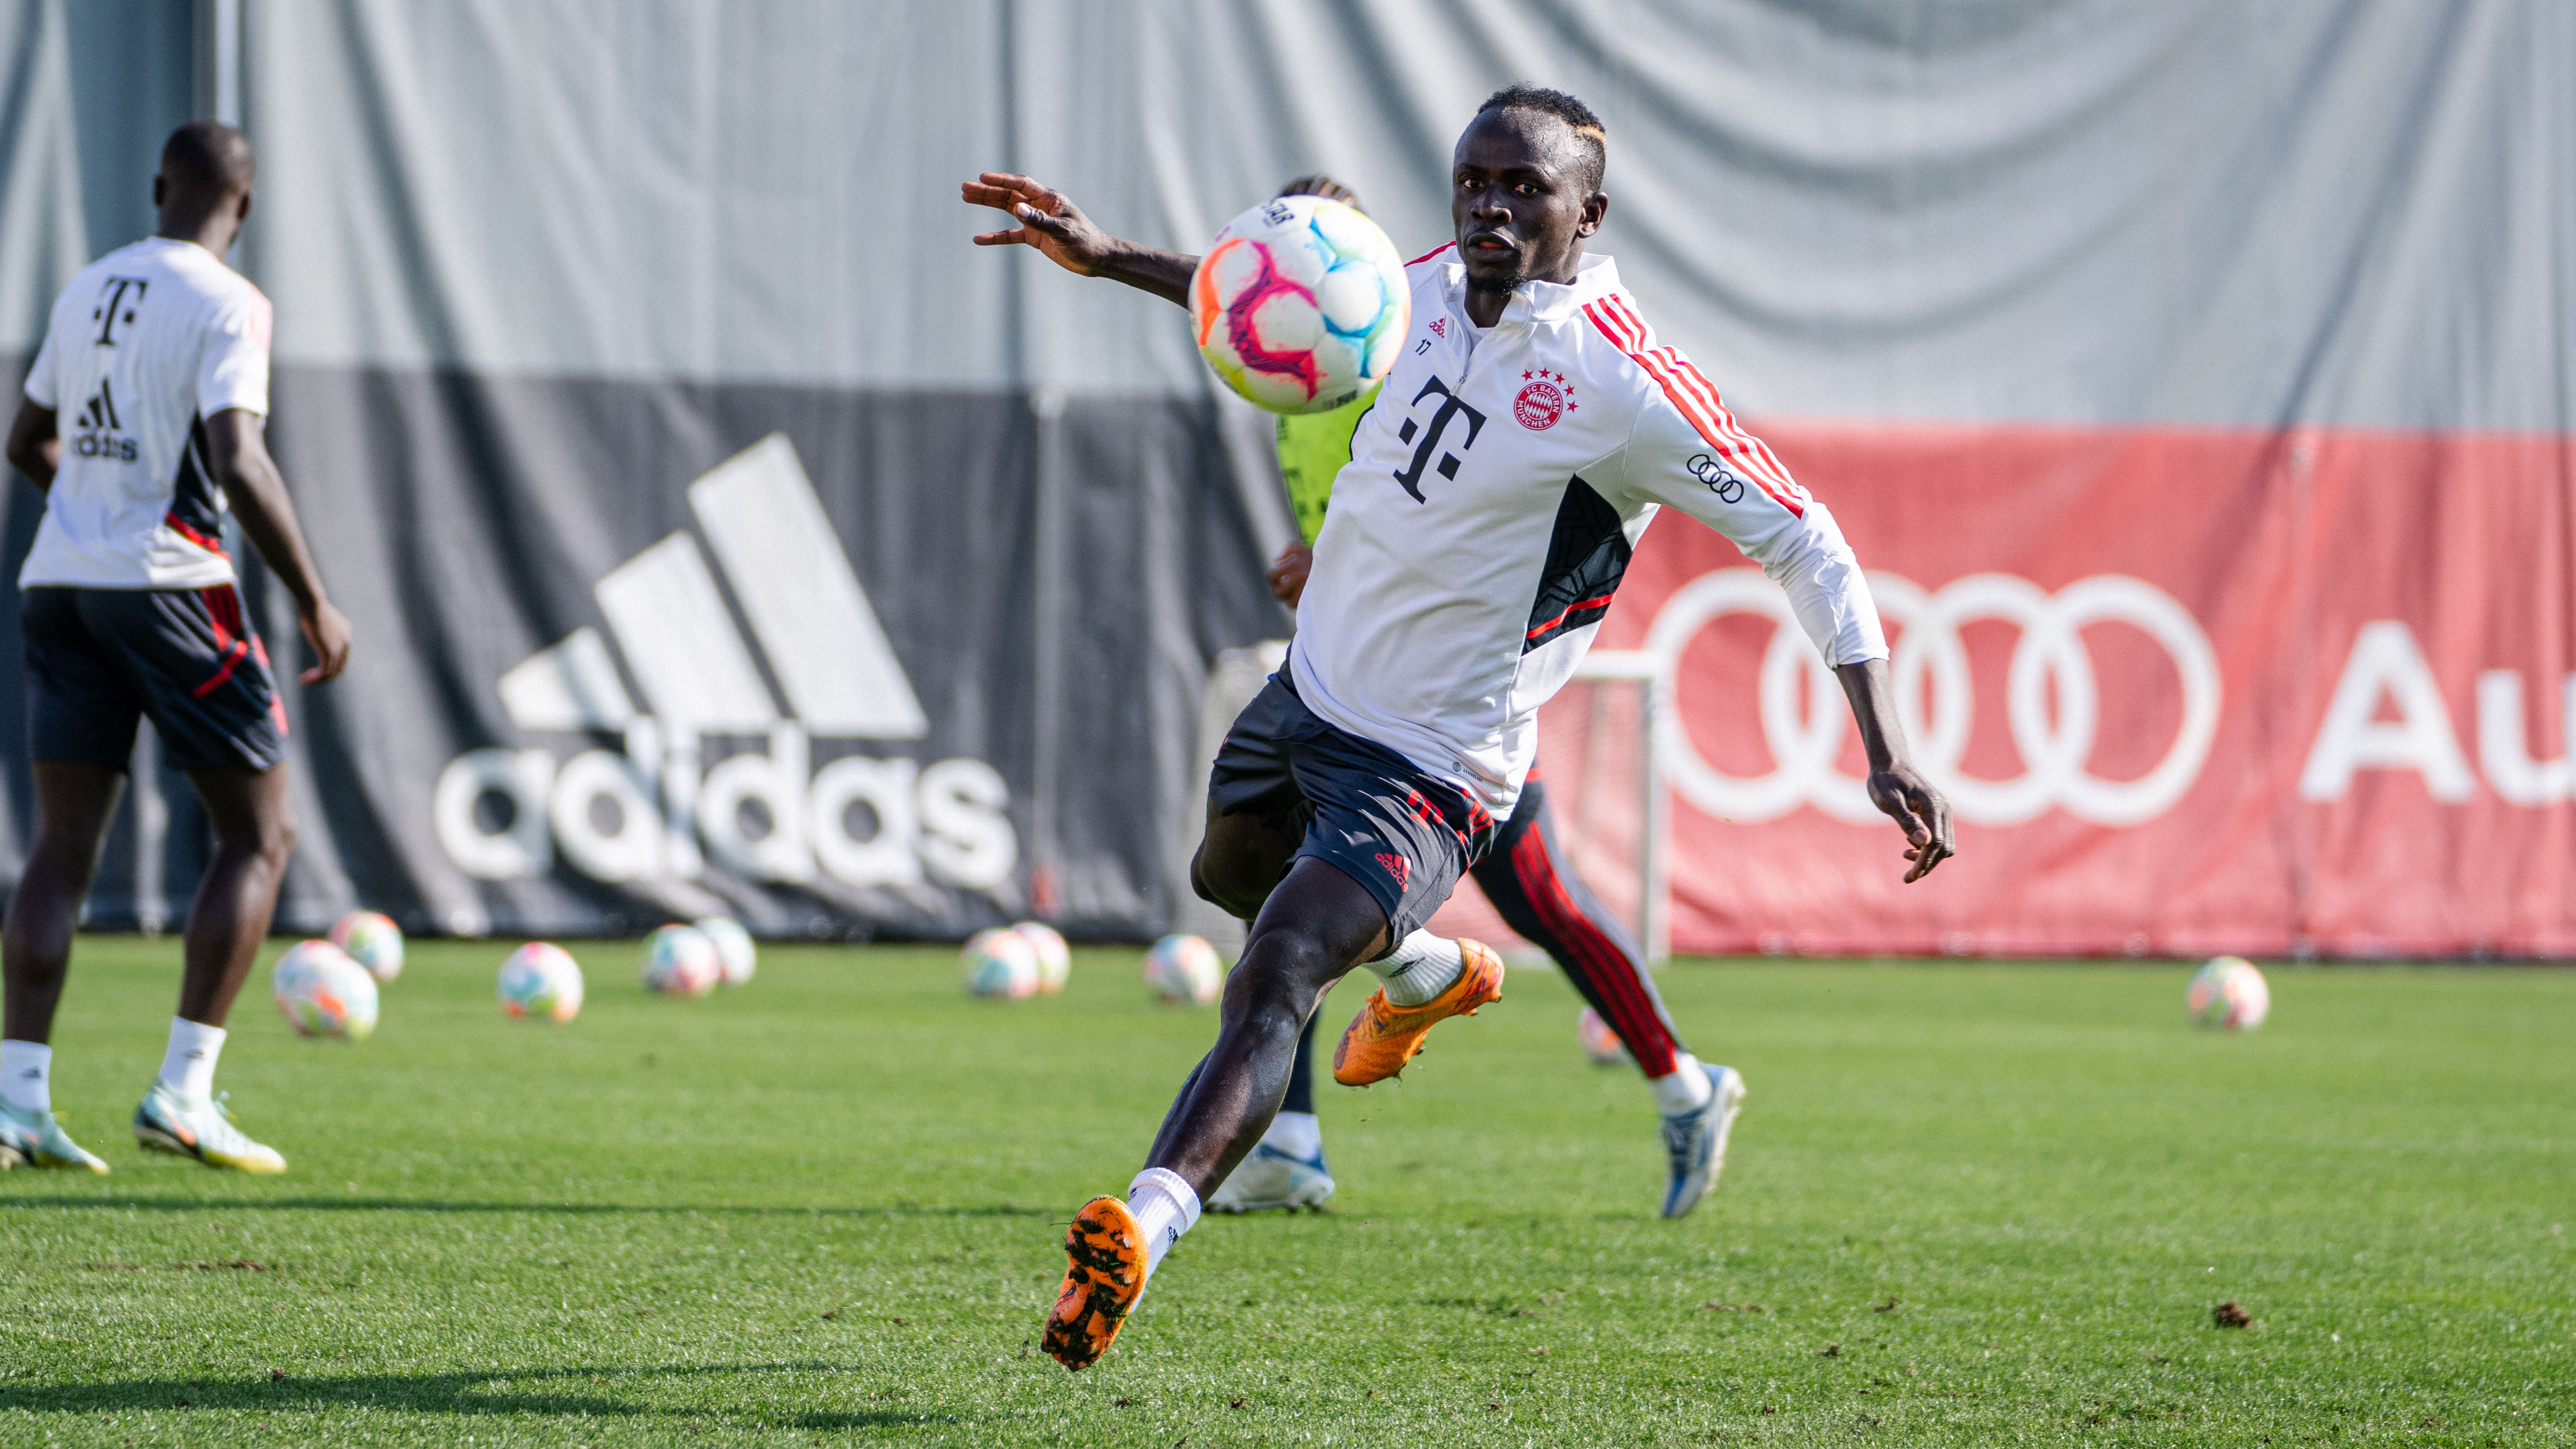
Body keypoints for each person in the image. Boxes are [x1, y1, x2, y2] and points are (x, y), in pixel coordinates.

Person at [963, 84, 1952, 1371]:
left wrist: (1884, 739)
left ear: (1588, 212)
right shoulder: (1420, 281)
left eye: (1523, 187)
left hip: (1433, 761)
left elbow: (1805, 533)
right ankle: (1424, 969)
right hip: (1310, 693)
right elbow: (1282, 289)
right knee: (1227, 877)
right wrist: (1109, 259)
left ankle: (1141, 1229)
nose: (1489, 204)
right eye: (1473, 179)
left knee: (1274, 973)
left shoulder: (1625, 380)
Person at [1209, 175, 1746, 1224]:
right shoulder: (1291, 351)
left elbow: (1457, 491)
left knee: (1538, 898)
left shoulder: (1398, 330)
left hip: (1457, 699)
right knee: (1290, 889)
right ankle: (1293, 1139)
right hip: (1362, 670)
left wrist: (1333, 557)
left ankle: (1684, 1081)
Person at [0, 122, 351, 1175]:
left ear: (160, 186)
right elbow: (238, 459)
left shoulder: (87, 287)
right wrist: (317, 598)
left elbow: (25, 441)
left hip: (61, 582)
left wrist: (94, 514)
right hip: (171, 588)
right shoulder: (230, 301)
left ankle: (16, 1102)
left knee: (62, 846)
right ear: (242, 209)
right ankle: (183, 1094)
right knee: (260, 834)